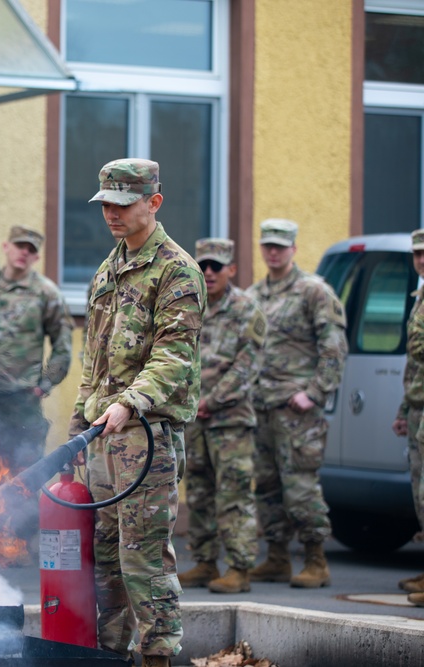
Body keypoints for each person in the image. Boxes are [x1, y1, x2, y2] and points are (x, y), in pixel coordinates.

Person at [69, 158, 203, 667]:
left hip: (146, 435)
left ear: (153, 202)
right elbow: (94, 356)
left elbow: (174, 355)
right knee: (104, 560)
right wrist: (80, 421)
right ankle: (110, 656)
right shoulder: (110, 267)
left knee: (142, 558)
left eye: (122, 204)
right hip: (102, 438)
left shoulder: (177, 270)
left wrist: (131, 402)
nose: (112, 214)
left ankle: (158, 658)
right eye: (106, 203)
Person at [246, 218, 347, 589]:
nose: (273, 252)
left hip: (297, 409)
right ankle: (276, 557)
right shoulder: (255, 295)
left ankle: (315, 558)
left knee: (300, 485)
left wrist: (315, 393)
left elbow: (334, 347)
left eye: (280, 246)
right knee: (267, 485)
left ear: (294, 249)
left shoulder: (313, 291)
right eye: (268, 245)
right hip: (261, 406)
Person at [179, 238, 264, 595]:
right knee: (198, 493)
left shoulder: (247, 309)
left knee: (233, 494)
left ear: (231, 268)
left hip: (229, 420)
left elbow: (248, 365)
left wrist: (212, 400)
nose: (209, 272)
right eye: (204, 266)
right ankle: (204, 561)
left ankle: (240, 567)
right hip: (193, 419)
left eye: (217, 266)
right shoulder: (190, 305)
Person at [0, 225, 73, 473]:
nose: (23, 253)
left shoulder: (46, 293)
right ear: (6, 247)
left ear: (36, 257)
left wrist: (45, 383)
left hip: (22, 401)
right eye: (19, 246)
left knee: (24, 477)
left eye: (30, 250)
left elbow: (63, 345)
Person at [392, 228, 424, 607]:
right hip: (418, 407)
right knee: (420, 497)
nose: (421, 260)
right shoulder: (420, 296)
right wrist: (404, 408)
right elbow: (414, 364)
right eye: (417, 254)